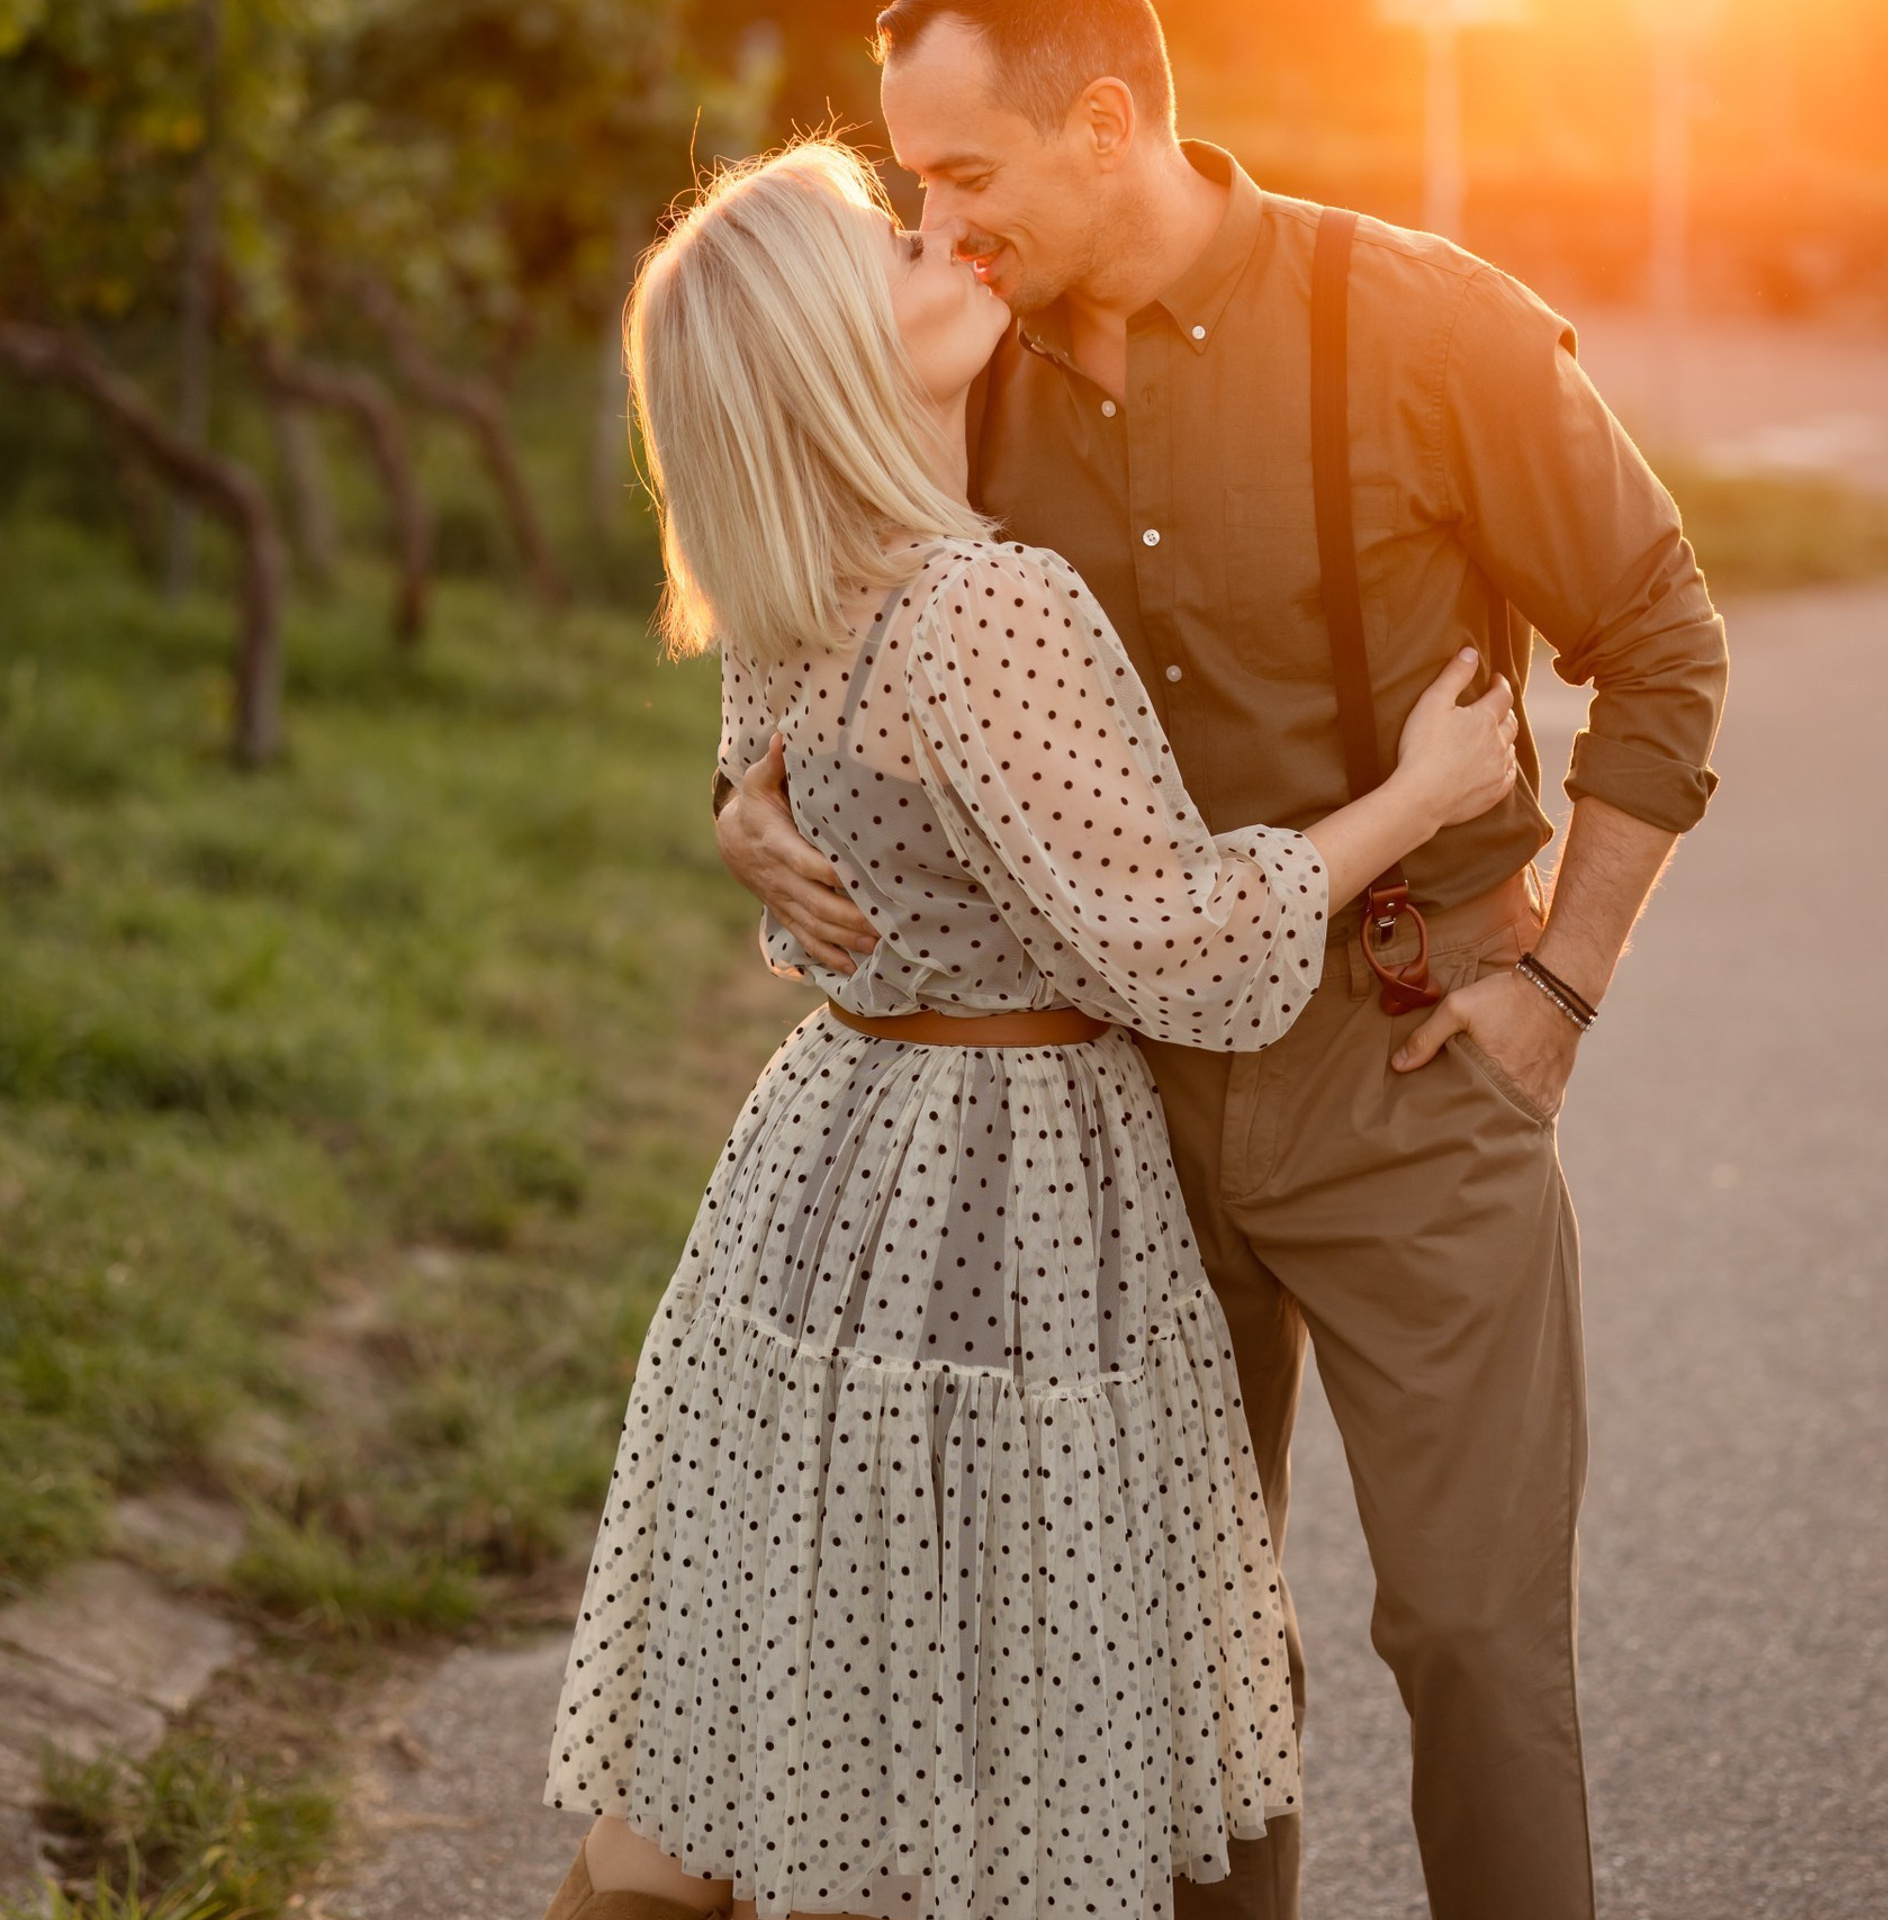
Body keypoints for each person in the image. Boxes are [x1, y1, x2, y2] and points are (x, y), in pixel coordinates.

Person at [714, 6, 1730, 1920]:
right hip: (1108, 1100)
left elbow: (1663, 640)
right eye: (917, 183)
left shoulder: (1428, 326)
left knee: (1473, 1637)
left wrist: (1564, 985)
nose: (939, 226)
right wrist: (738, 796)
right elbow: (822, 588)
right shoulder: (958, 356)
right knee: (1185, 1660)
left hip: (1408, 1055)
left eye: (966, 175)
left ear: (1104, 125)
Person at [539, 138, 1520, 1920]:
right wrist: (1421, 794)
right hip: (1006, 1179)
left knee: (770, 1731)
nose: (950, 244)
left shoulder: (793, 589)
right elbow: (1176, 942)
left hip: (828, 1167)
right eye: (898, 252)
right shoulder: (984, 602)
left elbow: (786, 803)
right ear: (836, 351)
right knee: (984, 1738)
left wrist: (738, 819)